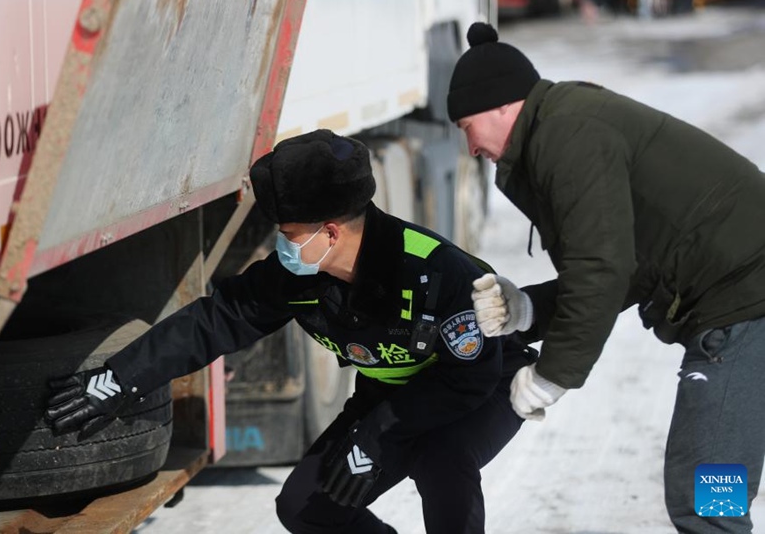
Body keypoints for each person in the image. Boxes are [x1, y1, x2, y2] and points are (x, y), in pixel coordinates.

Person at [43, 129, 535, 533]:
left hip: (481, 385)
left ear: (331, 232)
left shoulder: (437, 274)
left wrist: (375, 439)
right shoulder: (299, 277)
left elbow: (466, 379)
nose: (283, 248)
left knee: (441, 457)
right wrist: (118, 381)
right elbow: (212, 322)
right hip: (391, 395)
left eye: (290, 236)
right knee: (305, 507)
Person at [446, 22, 765, 533]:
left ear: (501, 106)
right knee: (710, 498)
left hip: (746, 304)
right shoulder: (562, 124)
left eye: (465, 127)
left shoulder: (568, 136)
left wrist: (553, 375)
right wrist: (527, 309)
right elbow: (627, 264)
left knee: (708, 499)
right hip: (744, 302)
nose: (470, 149)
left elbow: (602, 268)